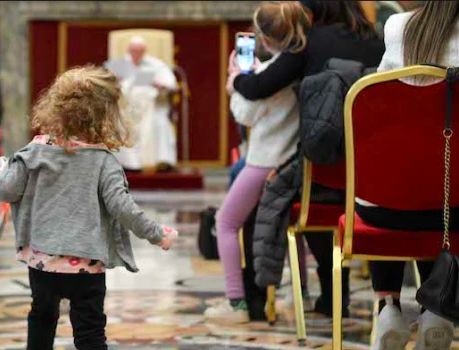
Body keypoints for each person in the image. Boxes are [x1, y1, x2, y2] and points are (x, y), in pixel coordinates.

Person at [0, 66, 179, 350]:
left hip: (43, 262)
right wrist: (158, 234)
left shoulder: (35, 152)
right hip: (86, 265)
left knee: (42, 318)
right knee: (90, 331)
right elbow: (123, 209)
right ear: (105, 116)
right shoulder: (104, 161)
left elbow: (6, 189)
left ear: (56, 108)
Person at [231, 0, 385, 317]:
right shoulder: (377, 40)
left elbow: (259, 87)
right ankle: (337, 295)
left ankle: (256, 299)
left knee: (268, 197)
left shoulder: (309, 41)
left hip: (322, 172)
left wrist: (235, 79)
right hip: (369, 178)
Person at [364, 1, 459, 350]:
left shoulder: (397, 27)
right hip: (452, 208)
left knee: (398, 182)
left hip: (385, 207)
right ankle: (436, 311)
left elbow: (377, 103)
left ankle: (388, 308)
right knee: (440, 192)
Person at [203, 2, 310, 324]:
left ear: (263, 38)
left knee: (226, 222)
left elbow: (244, 114)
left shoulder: (266, 74)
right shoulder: (296, 65)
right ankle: (301, 294)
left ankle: (236, 302)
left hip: (264, 161)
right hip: (291, 161)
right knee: (291, 228)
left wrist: (234, 80)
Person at [113, 36, 179, 172]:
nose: (136, 55)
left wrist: (159, 85)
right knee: (120, 124)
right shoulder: (119, 65)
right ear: (128, 51)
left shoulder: (157, 65)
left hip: (152, 108)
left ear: (144, 51)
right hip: (127, 109)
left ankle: (161, 163)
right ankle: (128, 164)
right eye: (133, 51)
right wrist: (116, 81)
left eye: (139, 51)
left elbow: (171, 86)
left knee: (160, 123)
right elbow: (108, 85)